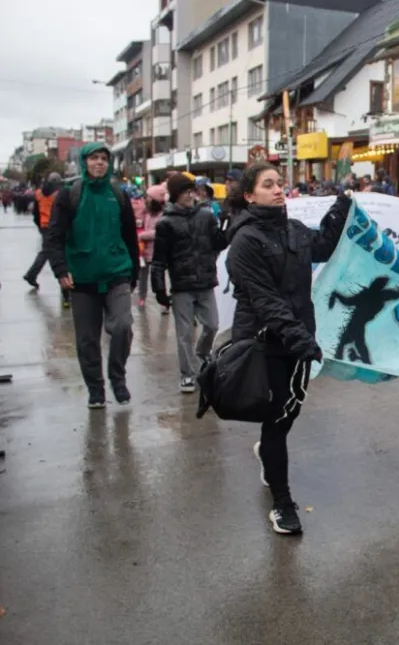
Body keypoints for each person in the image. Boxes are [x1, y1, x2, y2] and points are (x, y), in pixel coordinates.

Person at [226, 163, 350, 535]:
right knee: (277, 419)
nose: (279, 190)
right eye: (268, 185)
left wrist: (342, 207)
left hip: (298, 338)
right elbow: (265, 301)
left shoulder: (294, 230)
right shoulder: (244, 241)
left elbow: (324, 245)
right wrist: (300, 339)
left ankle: (266, 451)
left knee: (289, 411)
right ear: (250, 195)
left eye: (280, 184)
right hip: (264, 343)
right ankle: (282, 503)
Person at [44, 143, 139, 408]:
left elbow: (130, 235)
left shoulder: (118, 194)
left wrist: (133, 272)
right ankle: (95, 389)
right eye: (94, 158)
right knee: (87, 339)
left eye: (104, 159)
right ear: (84, 162)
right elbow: (54, 237)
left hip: (117, 272)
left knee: (122, 326)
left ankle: (117, 378)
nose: (99, 163)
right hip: (82, 277)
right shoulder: (70, 194)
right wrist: (61, 270)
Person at [151, 173, 228, 393]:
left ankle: (203, 351)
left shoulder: (205, 216)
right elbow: (159, 261)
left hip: (205, 282)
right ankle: (187, 374)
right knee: (184, 333)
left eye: (192, 191)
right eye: (185, 192)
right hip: (181, 286)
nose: (190, 196)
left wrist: (227, 227)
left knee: (212, 324)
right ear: (176, 195)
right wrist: (159, 289)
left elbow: (217, 243)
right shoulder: (165, 223)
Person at [24, 172, 70, 306]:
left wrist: (40, 225)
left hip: (45, 225)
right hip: (58, 226)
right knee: (58, 255)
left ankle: (31, 274)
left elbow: (35, 213)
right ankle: (65, 293)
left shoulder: (38, 193)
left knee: (46, 251)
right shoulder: (61, 193)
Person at [137, 184, 167, 308]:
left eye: (149, 197)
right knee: (142, 276)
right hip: (143, 252)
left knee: (159, 278)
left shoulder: (163, 215)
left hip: (157, 252)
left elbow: (159, 232)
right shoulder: (147, 212)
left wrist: (142, 235)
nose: (146, 199)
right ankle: (141, 298)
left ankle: (163, 302)